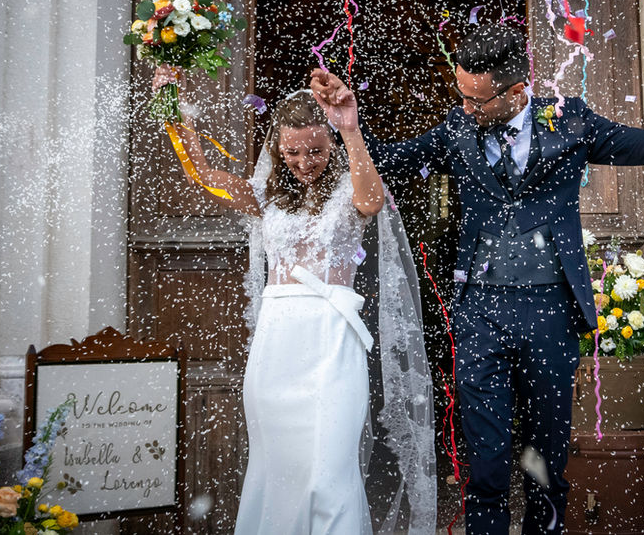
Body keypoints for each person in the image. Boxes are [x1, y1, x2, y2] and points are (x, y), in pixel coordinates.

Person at [310, 24, 644, 535]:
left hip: (549, 315)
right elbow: (395, 162)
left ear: (517, 90)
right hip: (481, 315)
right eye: (462, 96)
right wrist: (349, 126)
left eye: (477, 99)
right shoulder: (456, 129)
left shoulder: (571, 121)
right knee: (487, 467)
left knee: (544, 467)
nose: (466, 108)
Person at [153, 68, 436, 534]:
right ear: (277, 150)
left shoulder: (351, 190)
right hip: (278, 341)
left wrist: (349, 128)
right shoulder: (265, 195)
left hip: (330, 338)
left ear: (331, 146)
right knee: (277, 469)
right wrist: (171, 104)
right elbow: (202, 174)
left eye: (317, 151)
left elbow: (372, 202)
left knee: (328, 470)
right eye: (293, 152)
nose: (305, 161)